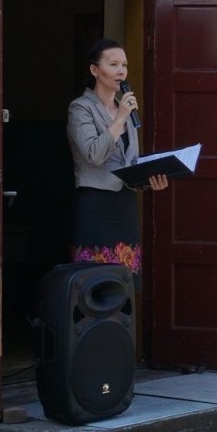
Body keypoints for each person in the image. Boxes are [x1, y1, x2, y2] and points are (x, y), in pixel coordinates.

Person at [67, 38, 168, 284]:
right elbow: (93, 154)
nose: (121, 70)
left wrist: (148, 180)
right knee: (93, 287)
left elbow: (130, 161)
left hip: (124, 207)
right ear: (95, 70)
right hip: (95, 205)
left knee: (123, 285)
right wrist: (120, 117)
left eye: (124, 64)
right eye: (113, 64)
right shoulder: (80, 108)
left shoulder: (126, 110)